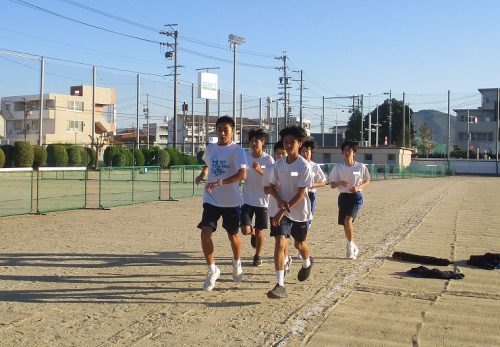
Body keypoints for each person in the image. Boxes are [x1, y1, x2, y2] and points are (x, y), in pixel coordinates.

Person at [195, 116, 247, 291]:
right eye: (219, 129)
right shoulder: (211, 148)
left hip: (231, 201)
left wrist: (219, 182)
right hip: (211, 198)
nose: (222, 133)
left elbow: (242, 175)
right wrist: (203, 174)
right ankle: (212, 270)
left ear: (233, 131)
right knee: (205, 233)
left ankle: (237, 263)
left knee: (233, 236)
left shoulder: (237, 151)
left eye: (226, 130)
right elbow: (208, 165)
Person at [266, 126, 314, 299]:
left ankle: (307, 262)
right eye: (285, 142)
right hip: (282, 210)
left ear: (299, 144)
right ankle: (280, 285)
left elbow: (301, 194)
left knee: (299, 244)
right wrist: (279, 203)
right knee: (280, 242)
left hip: (299, 211)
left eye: (291, 142)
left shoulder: (304, 166)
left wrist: (281, 210)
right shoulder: (278, 165)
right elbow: (270, 186)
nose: (287, 145)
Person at [328, 140, 370, 260]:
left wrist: (358, 187)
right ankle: (352, 244)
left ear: (354, 152)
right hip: (343, 197)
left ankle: (350, 246)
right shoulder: (338, 167)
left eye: (350, 150)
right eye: (345, 150)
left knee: (348, 220)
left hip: (356, 197)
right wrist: (339, 182)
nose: (347, 152)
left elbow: (367, 180)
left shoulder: (360, 166)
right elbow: (331, 184)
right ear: (342, 152)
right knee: (346, 225)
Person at [240, 128, 275, 267]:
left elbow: (272, 179)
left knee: (261, 230)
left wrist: (260, 170)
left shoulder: (268, 159)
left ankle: (257, 255)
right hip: (247, 199)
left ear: (263, 143)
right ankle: (252, 232)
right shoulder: (245, 156)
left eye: (257, 141)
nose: (254, 144)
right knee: (245, 230)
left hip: (263, 202)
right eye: (252, 141)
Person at [299, 137, 327, 219]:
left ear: (311, 153)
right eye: (303, 151)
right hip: (297, 193)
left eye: (307, 151)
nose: (305, 154)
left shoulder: (315, 166)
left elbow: (323, 182)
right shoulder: (296, 165)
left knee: (307, 217)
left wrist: (311, 185)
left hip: (310, 194)